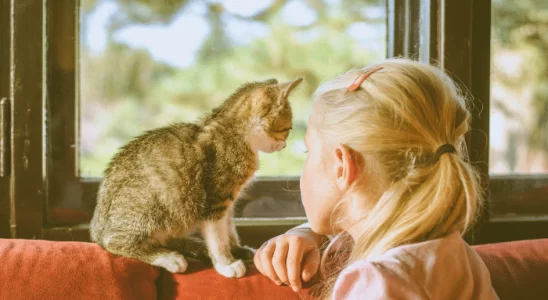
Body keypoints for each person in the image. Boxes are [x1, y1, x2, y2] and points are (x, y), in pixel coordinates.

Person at [253, 59, 498, 299]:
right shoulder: (456, 254)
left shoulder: (379, 281)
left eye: (309, 152)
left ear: (342, 166)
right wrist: (309, 232)